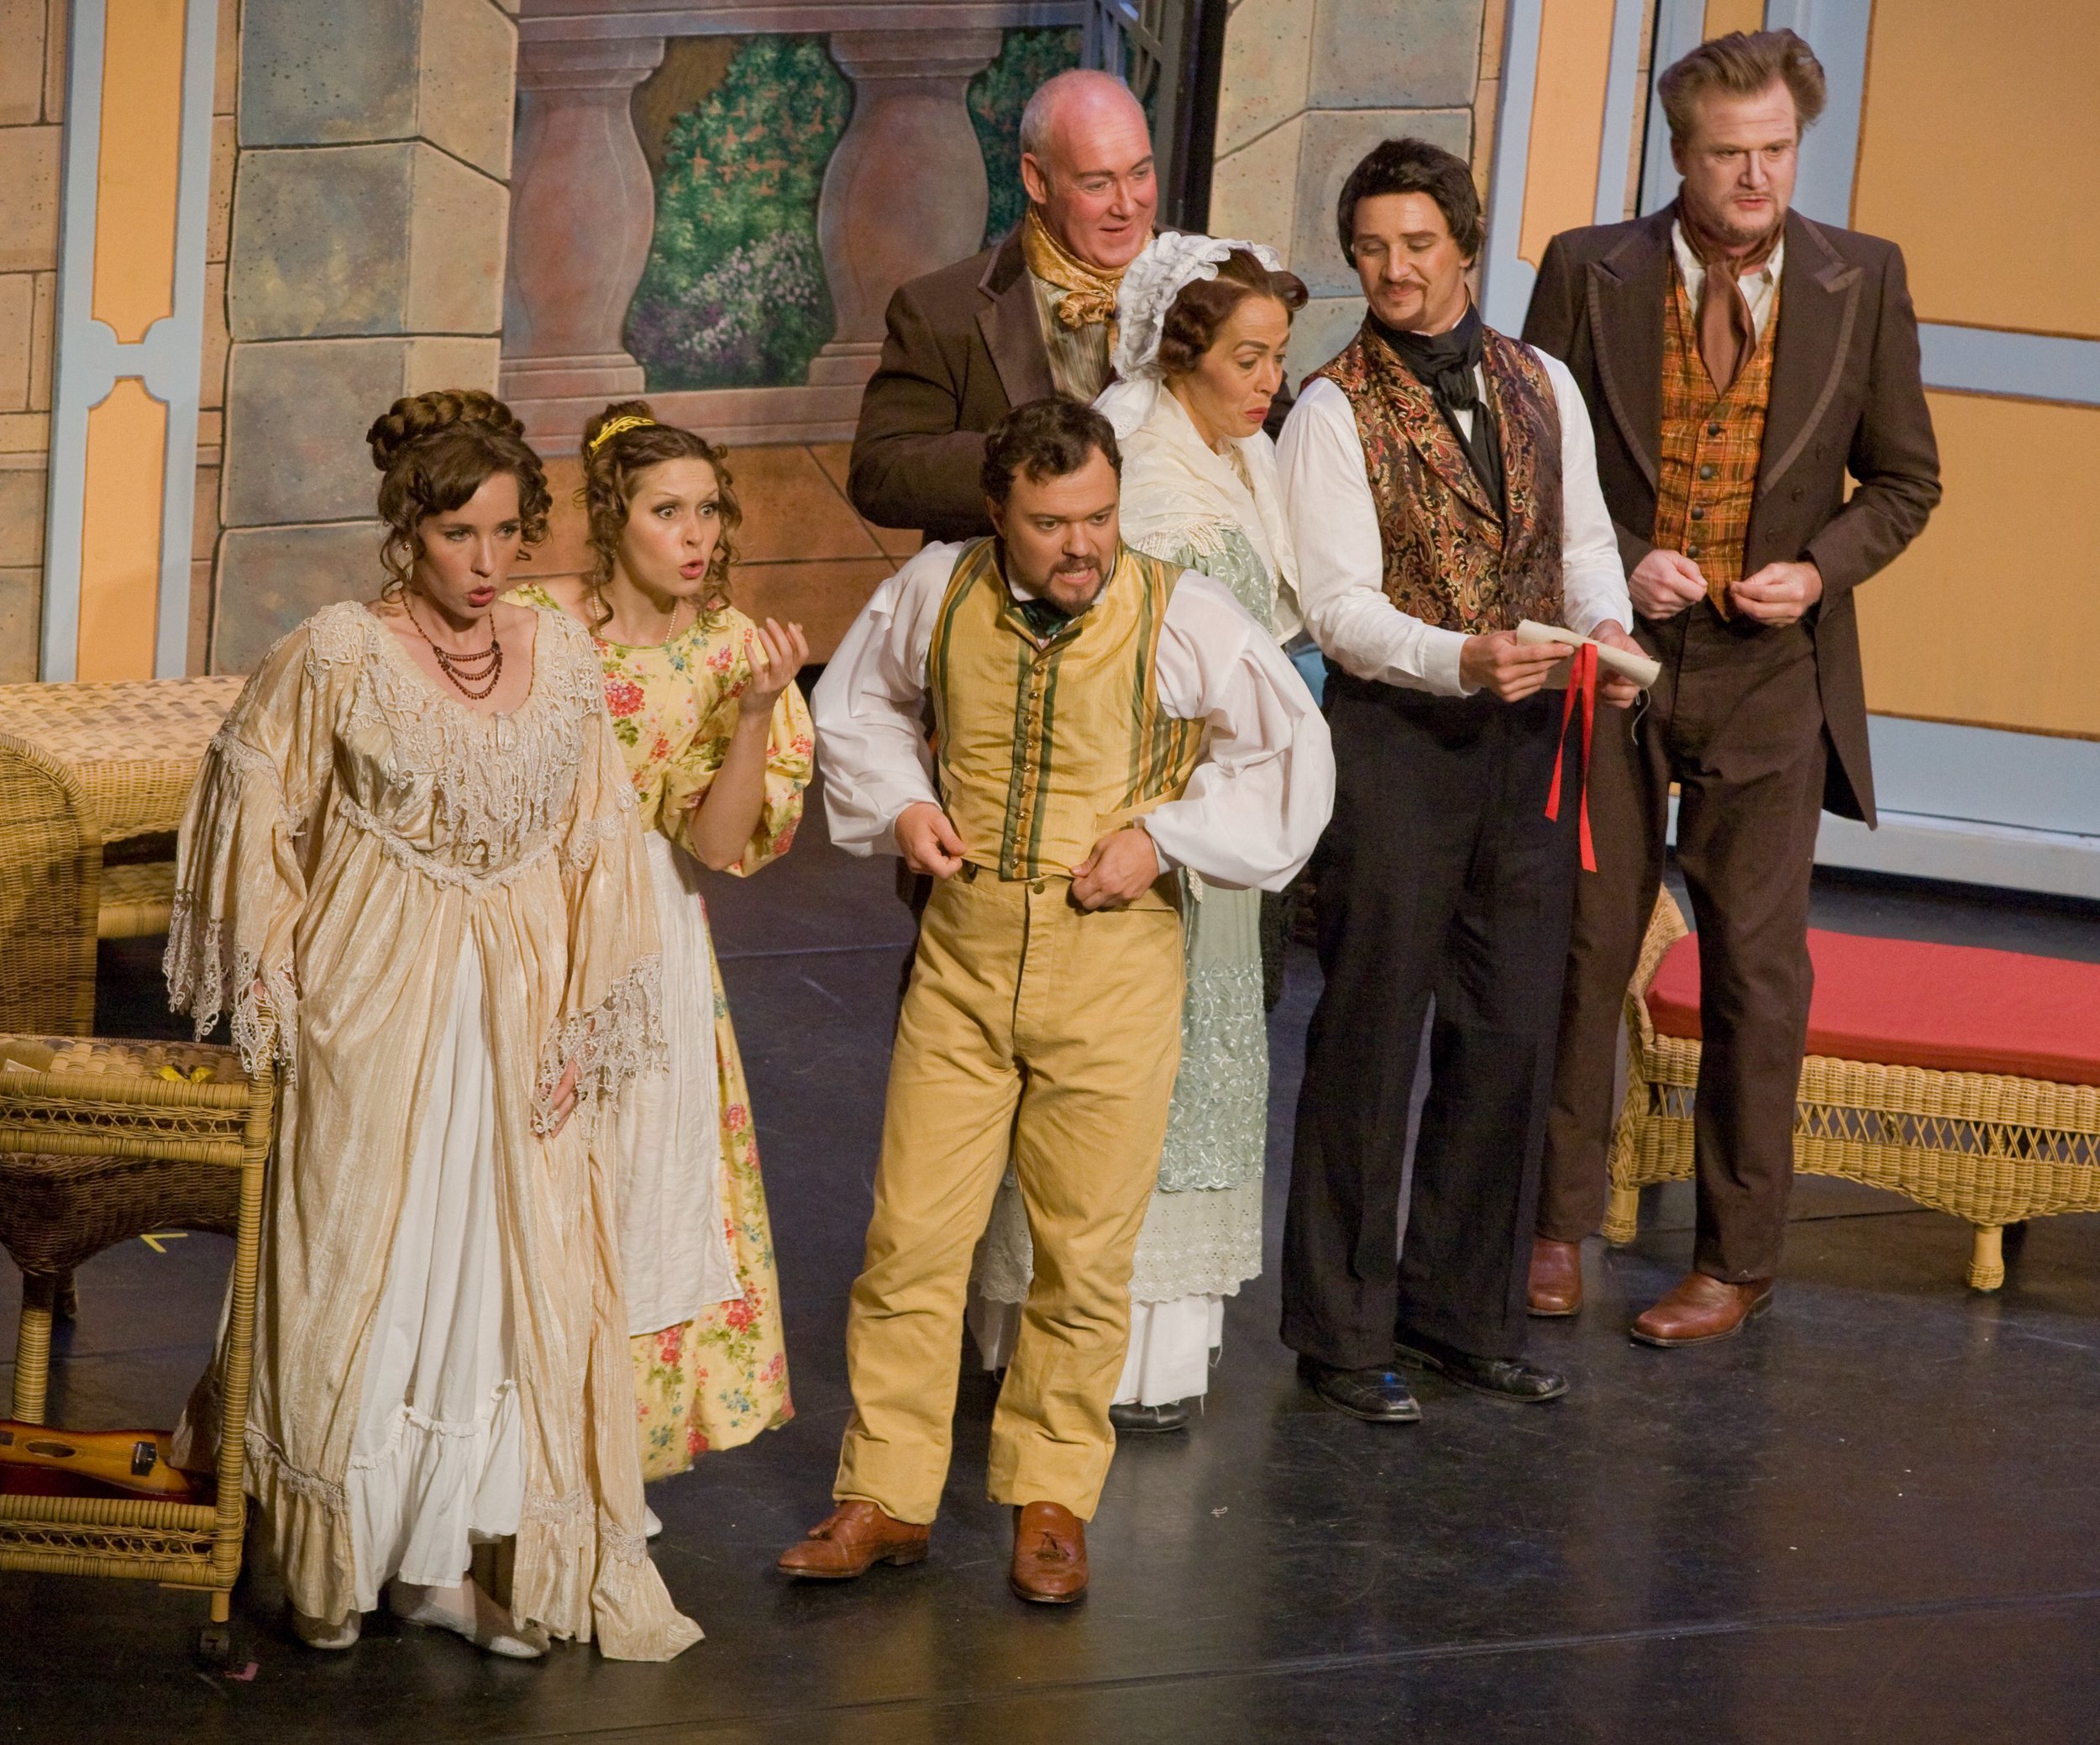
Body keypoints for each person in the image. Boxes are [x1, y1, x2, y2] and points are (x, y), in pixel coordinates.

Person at [165, 391, 700, 1659]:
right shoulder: (337, 653)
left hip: (514, 1012)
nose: (487, 562)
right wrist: (279, 995)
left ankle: (445, 1556)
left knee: (497, 1278)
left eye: (510, 534)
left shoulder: (559, 654)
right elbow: (257, 818)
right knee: (368, 1261)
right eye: (461, 533)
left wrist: (580, 1012)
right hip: (375, 1005)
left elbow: (597, 841)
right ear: (409, 529)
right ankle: (334, 1557)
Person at [791, 398, 1331, 1604]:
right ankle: (884, 1494)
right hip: (966, 955)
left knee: (1084, 1253)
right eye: (1050, 524)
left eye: (1096, 515)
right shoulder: (936, 591)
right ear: (999, 515)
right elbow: (856, 707)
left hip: (1115, 957)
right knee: (910, 1240)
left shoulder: (1181, 612)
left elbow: (1291, 760)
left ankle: (1050, 1498)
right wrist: (902, 804)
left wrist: (1170, 838)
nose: (1081, 544)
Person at [1521, 30, 1939, 1344]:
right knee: (1585, 947)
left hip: (1771, 675)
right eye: (1728, 153)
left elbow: (1907, 481)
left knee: (1758, 969)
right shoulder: (1588, 270)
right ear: (1680, 154)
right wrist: (1610, 563)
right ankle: (1553, 1224)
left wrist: (1816, 573)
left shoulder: (1861, 279)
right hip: (1623, 659)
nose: (1756, 175)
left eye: (1775, 150)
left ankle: (1738, 1257)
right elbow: (1534, 469)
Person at [1277, 139, 1641, 1424]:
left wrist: (1600, 632)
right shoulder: (1330, 408)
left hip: (1534, 750)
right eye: (1372, 248)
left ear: (1467, 248)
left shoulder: (1543, 382)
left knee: (1505, 1029)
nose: (1393, 270)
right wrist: (1459, 659)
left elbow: (1586, 546)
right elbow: (1337, 608)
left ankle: (1461, 1311)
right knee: (1374, 1030)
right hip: (1401, 746)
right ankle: (1341, 1327)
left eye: (1417, 245)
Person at [967, 234, 1310, 1434]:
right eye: (1249, 358)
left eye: (1277, 356)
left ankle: (1148, 1348)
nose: (1270, 381)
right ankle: (1080, 1347)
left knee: (1189, 1066)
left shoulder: (1237, 457)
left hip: (1217, 811)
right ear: (1183, 355)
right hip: (1146, 811)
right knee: (1111, 1078)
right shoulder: (1148, 480)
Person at [507, 400, 810, 1495]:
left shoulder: (732, 652)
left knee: (638, 1190)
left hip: (649, 934)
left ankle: (605, 1467)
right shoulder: (539, 625)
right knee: (519, 1179)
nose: (697, 536)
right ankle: (502, 1455)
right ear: (612, 518)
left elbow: (723, 844)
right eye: (667, 511)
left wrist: (755, 713)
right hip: (530, 922)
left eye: (709, 512)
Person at [847, 68, 1158, 541]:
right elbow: (880, 473)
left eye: (1140, 173)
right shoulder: (939, 310)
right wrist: (1028, 463)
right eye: (1098, 184)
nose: (1127, 205)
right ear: (1037, 180)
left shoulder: (1214, 274)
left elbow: (1269, 427)